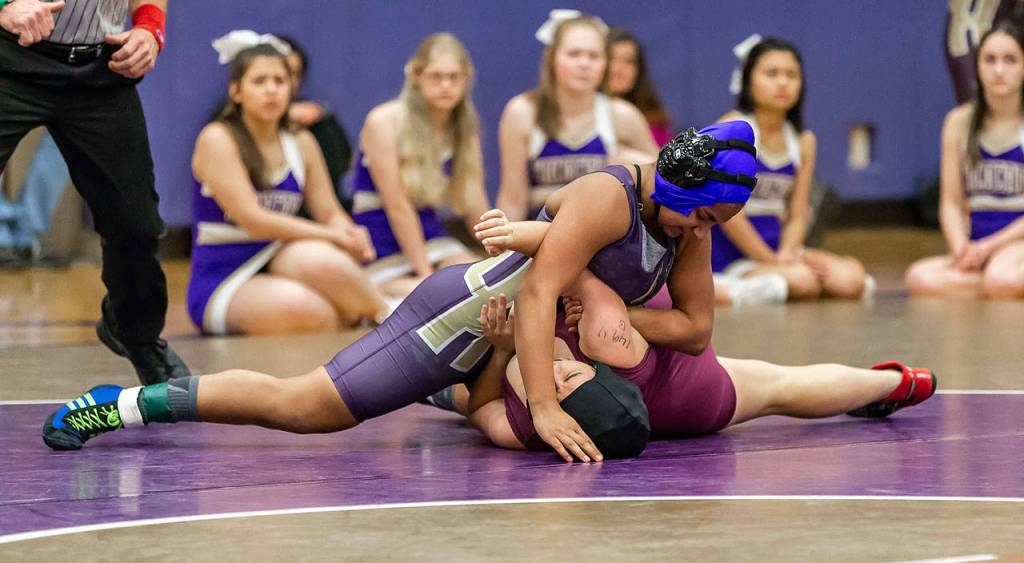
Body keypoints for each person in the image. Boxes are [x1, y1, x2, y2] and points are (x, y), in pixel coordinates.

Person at [461, 232, 935, 451]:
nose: (555, 372)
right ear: (594, 370)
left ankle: (887, 385)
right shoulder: (607, 343)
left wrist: (505, 350)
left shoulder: (522, 430)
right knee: (779, 387)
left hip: (635, 374)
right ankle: (895, 383)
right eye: (568, 380)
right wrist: (521, 233)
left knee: (455, 390)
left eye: (556, 383)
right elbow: (570, 252)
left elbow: (477, 406)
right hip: (688, 396)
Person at [0, 0, 188, 385]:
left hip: (100, 69)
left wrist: (150, 28)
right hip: (8, 57)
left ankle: (134, 333)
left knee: (136, 225)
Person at [186, 32, 387, 335]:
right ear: (236, 91)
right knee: (306, 310)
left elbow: (329, 211)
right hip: (223, 275)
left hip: (279, 254)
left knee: (326, 263)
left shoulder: (301, 141)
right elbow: (253, 220)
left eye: (280, 81)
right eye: (259, 81)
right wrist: (332, 235)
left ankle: (394, 319)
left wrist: (350, 233)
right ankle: (380, 328)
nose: (271, 90)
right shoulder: (217, 138)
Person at [711, 37, 871, 306]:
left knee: (851, 279)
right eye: (771, 74)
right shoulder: (732, 127)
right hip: (732, 255)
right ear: (748, 80)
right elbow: (725, 214)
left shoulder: (803, 141)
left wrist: (786, 254)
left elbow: (798, 213)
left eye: (791, 75)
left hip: (777, 251)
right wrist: (768, 259)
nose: (783, 82)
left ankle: (774, 281)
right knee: (803, 281)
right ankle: (728, 288)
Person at [351, 32, 488, 299]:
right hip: (381, 239)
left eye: (454, 77)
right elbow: (397, 206)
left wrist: (508, 257)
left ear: (467, 78)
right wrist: (425, 274)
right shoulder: (384, 120)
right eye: (436, 76)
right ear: (415, 75)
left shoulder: (464, 129)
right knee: (440, 296)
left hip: (432, 236)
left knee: (484, 285)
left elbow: (476, 204)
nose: (445, 85)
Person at [495, 10, 659, 222]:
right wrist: (507, 248)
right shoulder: (522, 112)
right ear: (551, 58)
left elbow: (664, 181)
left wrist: (639, 165)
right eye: (573, 54)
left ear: (605, 63)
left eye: (594, 56)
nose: (584, 64)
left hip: (607, 238)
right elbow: (512, 199)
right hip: (540, 235)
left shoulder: (623, 115)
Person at [906, 22, 1024, 299]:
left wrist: (991, 247)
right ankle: (998, 286)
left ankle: (999, 283)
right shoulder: (959, 122)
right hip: (978, 244)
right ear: (977, 66)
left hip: (1016, 241)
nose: (999, 70)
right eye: (989, 59)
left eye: (1010, 60)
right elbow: (949, 202)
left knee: (1002, 276)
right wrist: (961, 247)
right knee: (919, 276)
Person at [276, 35, 354, 212]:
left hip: (312, 220)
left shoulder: (314, 125)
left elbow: (329, 213)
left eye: (293, 74)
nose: (273, 87)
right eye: (261, 79)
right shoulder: (223, 130)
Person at [604, 27, 673, 147]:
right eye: (611, 59)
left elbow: (659, 163)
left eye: (628, 61)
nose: (618, 69)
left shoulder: (653, 123)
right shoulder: (579, 116)